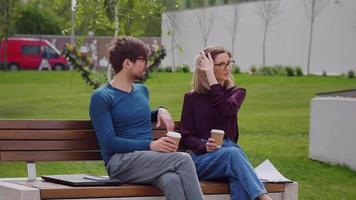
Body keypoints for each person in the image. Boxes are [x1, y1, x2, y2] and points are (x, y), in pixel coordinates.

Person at [89, 37, 204, 200]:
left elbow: (133, 115)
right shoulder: (102, 97)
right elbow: (109, 141)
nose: (147, 65)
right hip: (120, 163)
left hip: (146, 160)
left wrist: (159, 110)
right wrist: (151, 145)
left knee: (172, 180)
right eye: (143, 60)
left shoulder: (142, 91)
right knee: (183, 160)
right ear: (127, 63)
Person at [180, 46, 271, 200]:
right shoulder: (192, 98)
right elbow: (186, 135)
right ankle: (264, 198)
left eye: (229, 63)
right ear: (206, 68)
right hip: (203, 158)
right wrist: (203, 146)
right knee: (234, 156)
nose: (227, 68)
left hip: (230, 154)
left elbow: (226, 109)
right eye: (221, 64)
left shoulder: (238, 92)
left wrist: (213, 80)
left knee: (238, 175)